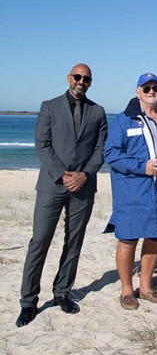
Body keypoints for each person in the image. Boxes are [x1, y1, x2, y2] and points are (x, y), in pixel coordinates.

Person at [16, 64, 107, 327]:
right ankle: (28, 302)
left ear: (90, 82)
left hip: (83, 187)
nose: (81, 81)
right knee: (40, 241)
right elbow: (42, 145)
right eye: (77, 77)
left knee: (74, 241)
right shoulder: (49, 106)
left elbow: (100, 149)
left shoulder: (98, 111)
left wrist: (84, 175)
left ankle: (62, 292)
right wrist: (63, 175)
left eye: (86, 79)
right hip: (52, 185)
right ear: (69, 78)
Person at [104, 73, 157, 310]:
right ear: (137, 91)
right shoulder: (124, 119)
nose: (151, 91)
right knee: (128, 239)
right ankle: (127, 290)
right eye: (146, 88)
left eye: (155, 87)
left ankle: (147, 287)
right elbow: (111, 154)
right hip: (133, 190)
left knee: (154, 237)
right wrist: (143, 166)